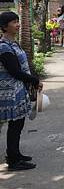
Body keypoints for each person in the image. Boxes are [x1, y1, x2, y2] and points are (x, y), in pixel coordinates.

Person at [0, 11, 42, 171]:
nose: (17, 25)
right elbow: (15, 71)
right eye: (14, 22)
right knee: (15, 125)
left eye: (18, 21)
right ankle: (13, 159)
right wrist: (34, 80)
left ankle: (15, 154)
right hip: (9, 92)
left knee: (18, 124)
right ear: (5, 26)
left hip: (18, 90)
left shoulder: (13, 44)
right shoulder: (4, 47)